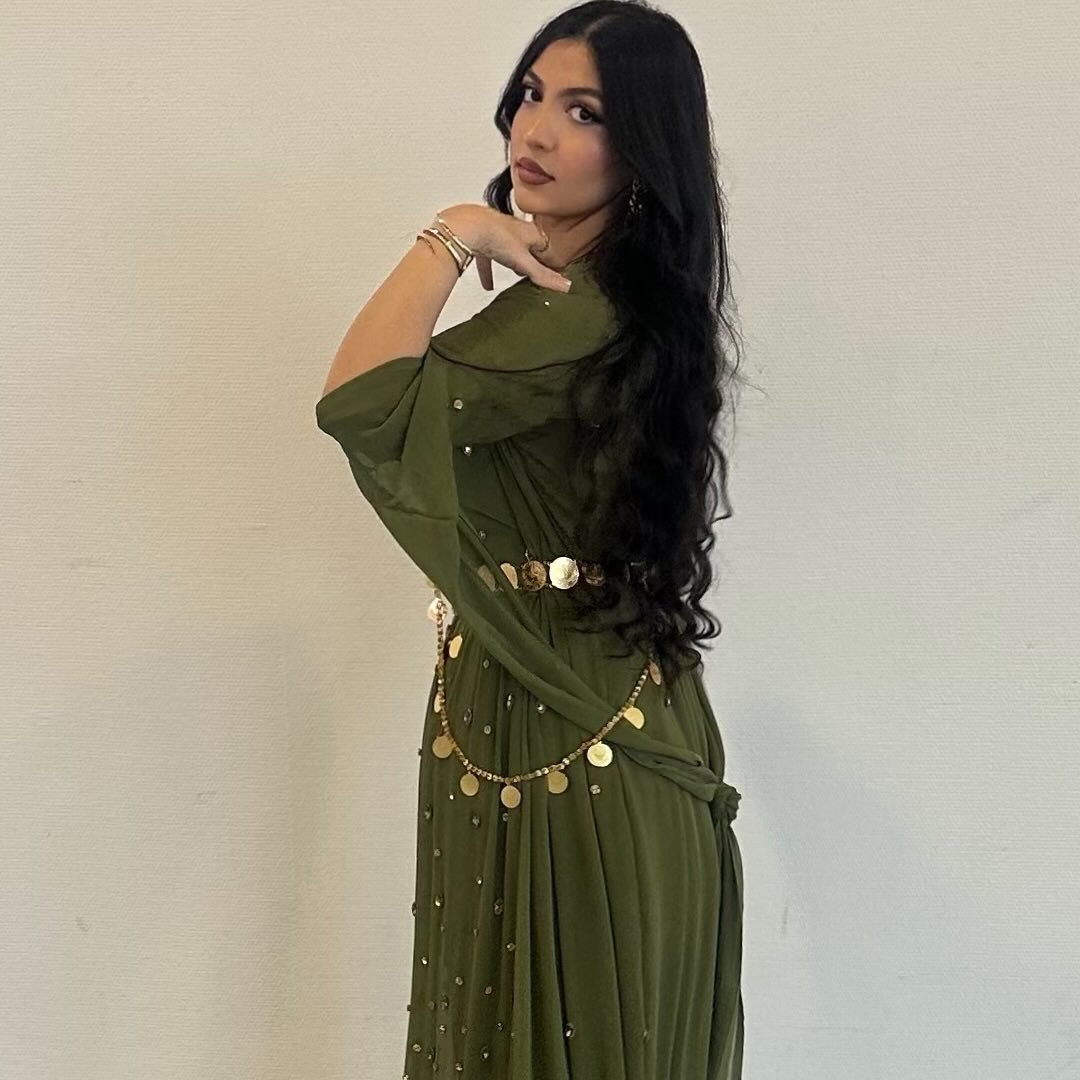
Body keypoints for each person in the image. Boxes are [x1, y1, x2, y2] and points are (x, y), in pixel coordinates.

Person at [314, 3, 747, 1077]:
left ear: (643, 145)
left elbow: (362, 400)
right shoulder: (627, 300)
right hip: (576, 717)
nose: (536, 130)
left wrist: (454, 232)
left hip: (571, 741)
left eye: (585, 112)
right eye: (531, 96)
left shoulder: (576, 311)